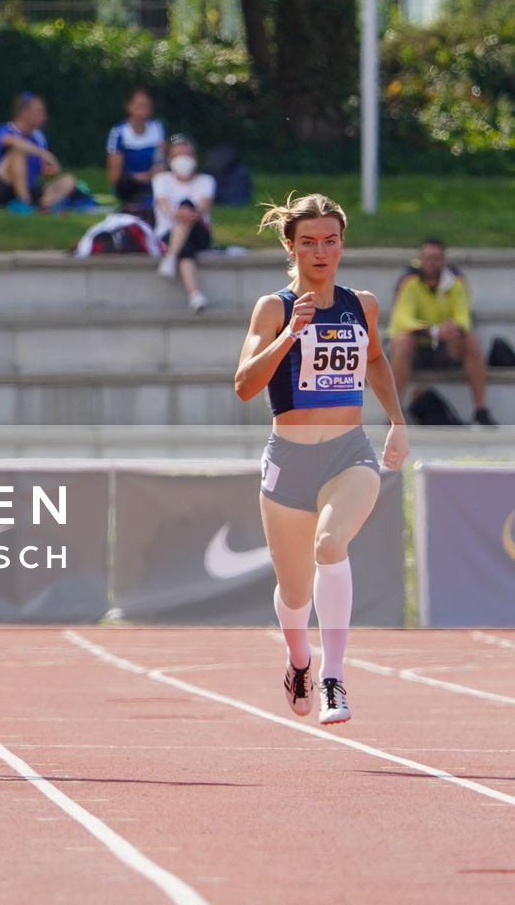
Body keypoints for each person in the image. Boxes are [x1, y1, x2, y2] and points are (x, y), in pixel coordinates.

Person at [233, 193, 409, 726]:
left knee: (330, 545)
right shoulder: (274, 307)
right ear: (291, 246)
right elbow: (244, 385)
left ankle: (334, 677)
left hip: (348, 454)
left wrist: (398, 421)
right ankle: (300, 660)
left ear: (341, 244)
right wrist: (291, 334)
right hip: (288, 461)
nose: (321, 251)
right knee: (294, 593)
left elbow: (376, 360)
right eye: (309, 242)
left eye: (330, 241)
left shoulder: (362, 305)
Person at [389, 238, 496, 427]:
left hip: (445, 347)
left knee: (471, 340)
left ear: (444, 260)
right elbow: (402, 319)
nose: (432, 262)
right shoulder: (409, 282)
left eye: (437, 258)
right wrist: (432, 330)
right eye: (428, 258)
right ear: (420, 259)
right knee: (402, 340)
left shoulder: (455, 283)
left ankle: (481, 410)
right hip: (415, 350)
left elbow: (464, 317)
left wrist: (453, 328)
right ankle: (394, 414)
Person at [0, 92, 80, 213]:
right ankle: (24, 202)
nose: (44, 116)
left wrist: (49, 170)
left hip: (29, 187)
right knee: (17, 154)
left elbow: (42, 170)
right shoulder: (4, 130)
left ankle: (45, 205)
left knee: (69, 180)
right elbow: (11, 141)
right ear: (24, 113)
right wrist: (44, 154)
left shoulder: (39, 137)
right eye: (39, 111)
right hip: (0, 189)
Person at [151, 134, 216, 312]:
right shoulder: (161, 180)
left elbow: (202, 205)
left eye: (187, 155)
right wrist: (175, 214)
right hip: (168, 233)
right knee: (184, 248)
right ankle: (195, 295)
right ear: (170, 159)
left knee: (186, 205)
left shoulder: (206, 180)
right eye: (178, 155)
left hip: (199, 232)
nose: (183, 160)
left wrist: (187, 213)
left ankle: (170, 258)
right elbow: (163, 203)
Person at [105, 87, 166, 212]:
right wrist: (139, 178)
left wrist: (157, 172)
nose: (143, 110)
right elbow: (114, 175)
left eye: (146, 106)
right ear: (128, 106)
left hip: (153, 181)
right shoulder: (118, 132)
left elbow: (161, 159)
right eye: (138, 105)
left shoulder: (157, 127)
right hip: (130, 185)